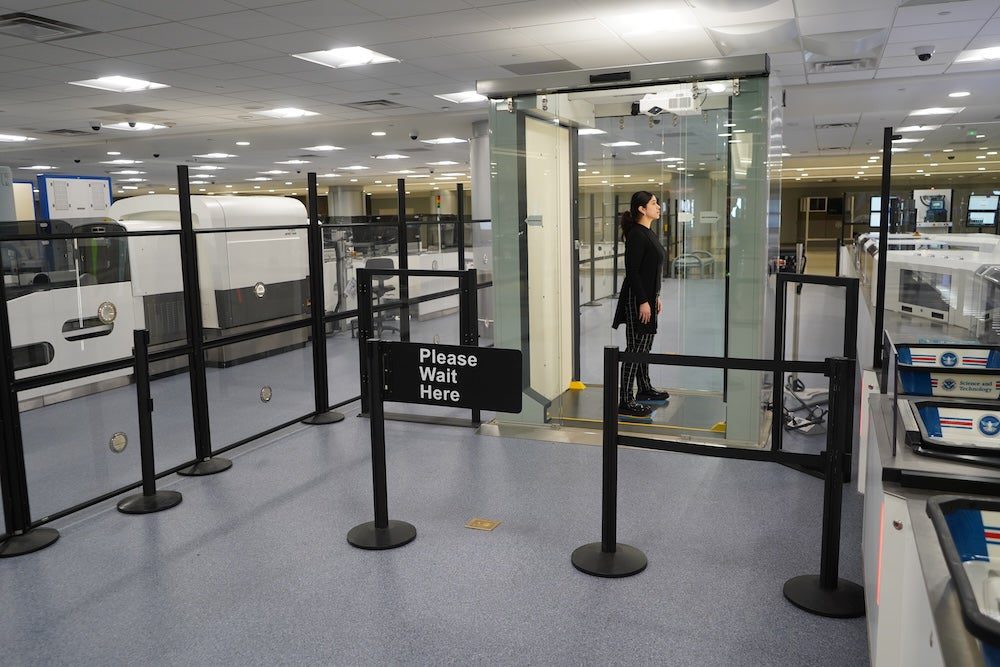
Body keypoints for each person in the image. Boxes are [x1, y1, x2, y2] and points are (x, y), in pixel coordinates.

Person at [612, 190, 670, 418]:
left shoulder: (648, 233)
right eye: (654, 203)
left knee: (644, 346)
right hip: (637, 300)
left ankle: (644, 388)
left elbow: (650, 270)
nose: (658, 207)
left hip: (647, 298)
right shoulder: (636, 234)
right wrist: (644, 301)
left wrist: (655, 296)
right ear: (641, 209)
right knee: (635, 349)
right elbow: (633, 272)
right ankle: (625, 400)